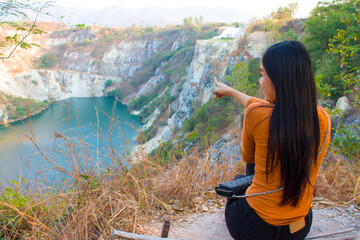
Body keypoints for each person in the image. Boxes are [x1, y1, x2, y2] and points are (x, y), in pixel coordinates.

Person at [213, 40, 331, 240]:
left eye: (262, 74)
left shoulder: (255, 114)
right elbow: (273, 111)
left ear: (279, 79)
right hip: (300, 227)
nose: (260, 82)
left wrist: (234, 94)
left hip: (256, 228)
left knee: (238, 182)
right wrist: (232, 92)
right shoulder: (322, 118)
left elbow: (249, 157)